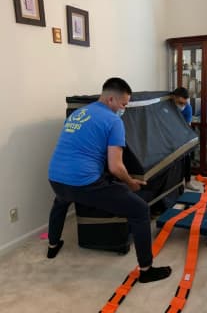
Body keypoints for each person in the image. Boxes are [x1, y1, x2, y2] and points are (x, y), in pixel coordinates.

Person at [47, 77, 171, 283]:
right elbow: (115, 167)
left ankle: (52, 245)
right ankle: (147, 270)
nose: (124, 108)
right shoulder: (114, 121)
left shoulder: (79, 113)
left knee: (61, 200)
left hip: (56, 178)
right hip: (84, 183)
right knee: (140, 210)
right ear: (111, 99)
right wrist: (131, 182)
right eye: (123, 104)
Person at [172, 87, 200, 191]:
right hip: (168, 136)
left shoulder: (187, 108)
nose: (182, 105)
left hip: (182, 134)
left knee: (186, 156)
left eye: (184, 103)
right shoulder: (169, 106)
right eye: (180, 103)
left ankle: (188, 182)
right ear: (174, 98)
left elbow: (187, 127)